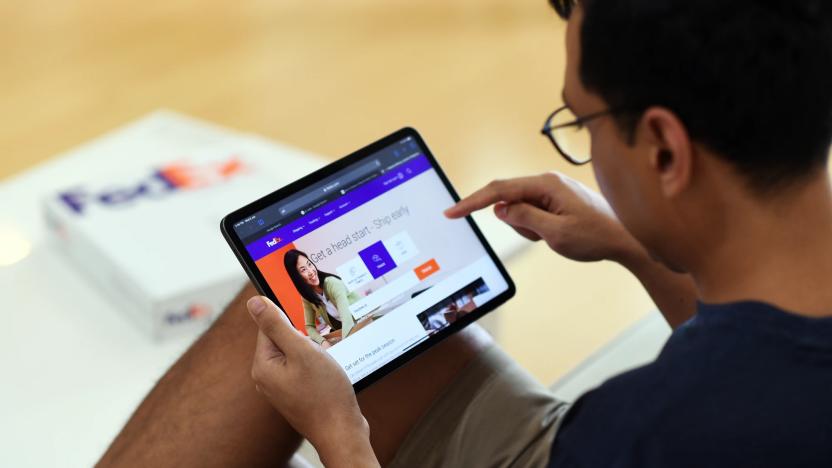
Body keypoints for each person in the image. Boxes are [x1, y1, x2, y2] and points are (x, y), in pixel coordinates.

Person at [98, 0, 832, 466]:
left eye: (582, 120)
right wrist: (636, 241)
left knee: (278, 335)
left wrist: (339, 436)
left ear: (666, 150)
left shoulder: (647, 429)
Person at [283, 249, 360, 347]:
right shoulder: (307, 296)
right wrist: (323, 342)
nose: (311, 271)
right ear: (297, 277)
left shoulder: (332, 283)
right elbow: (309, 327)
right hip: (349, 331)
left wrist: (343, 347)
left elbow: (347, 320)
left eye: (309, 264)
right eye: (303, 270)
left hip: (363, 322)